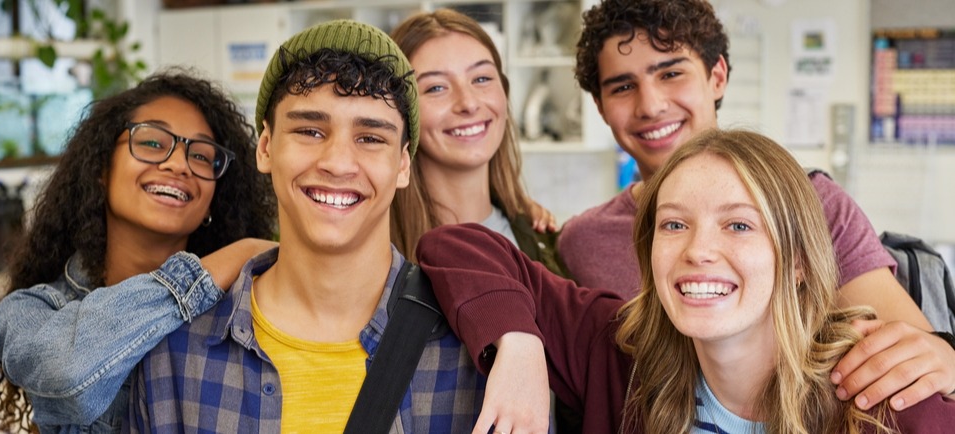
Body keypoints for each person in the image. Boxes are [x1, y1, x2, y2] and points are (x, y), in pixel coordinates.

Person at [556, 0, 955, 411]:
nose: (651, 104)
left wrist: (944, 360)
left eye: (672, 73)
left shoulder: (815, 204)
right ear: (601, 108)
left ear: (717, 77)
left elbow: (912, 362)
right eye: (622, 87)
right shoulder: (582, 240)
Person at [417, 129, 955, 433]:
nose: (698, 250)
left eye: (738, 225)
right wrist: (518, 346)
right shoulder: (617, 349)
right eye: (674, 225)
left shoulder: (883, 396)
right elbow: (458, 244)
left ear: (797, 261)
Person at [125, 20, 487, 433]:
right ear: (265, 147)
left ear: (403, 164)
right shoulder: (174, 354)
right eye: (310, 130)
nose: (336, 162)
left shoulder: (475, 353)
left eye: (370, 138)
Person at [0, 70, 277, 433]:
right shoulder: (33, 311)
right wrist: (218, 267)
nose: (178, 164)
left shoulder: (242, 313)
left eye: (202, 156)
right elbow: (69, 377)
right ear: (101, 169)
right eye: (153, 143)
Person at [388, 9, 565, 276]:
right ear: (401, 112)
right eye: (436, 87)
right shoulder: (382, 258)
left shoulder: (541, 237)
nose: (468, 103)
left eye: (481, 79)